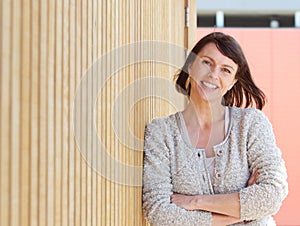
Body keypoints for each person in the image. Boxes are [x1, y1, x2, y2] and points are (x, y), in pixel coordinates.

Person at [142, 32, 288, 226]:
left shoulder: (251, 124)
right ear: (190, 65)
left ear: (233, 82)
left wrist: (194, 202)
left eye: (226, 70)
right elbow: (158, 212)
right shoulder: (161, 132)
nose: (213, 74)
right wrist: (238, 214)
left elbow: (272, 194)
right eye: (206, 62)